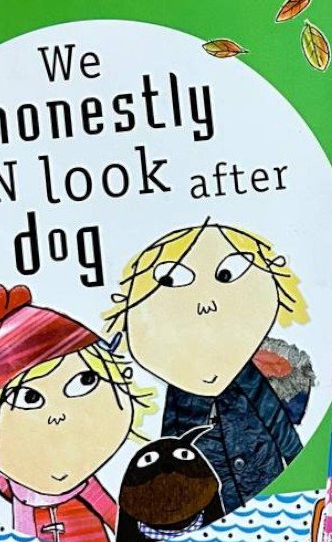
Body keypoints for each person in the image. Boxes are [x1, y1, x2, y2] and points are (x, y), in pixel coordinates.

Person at [0, 283, 152, 542]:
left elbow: (112, 513)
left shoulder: (84, 484)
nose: (57, 416)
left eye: (85, 380)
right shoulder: (15, 486)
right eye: (29, 398)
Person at [108, 220, 310, 515]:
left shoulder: (243, 370)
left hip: (262, 477)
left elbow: (274, 417)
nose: (205, 304)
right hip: (211, 492)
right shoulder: (181, 382)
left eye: (226, 275)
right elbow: (172, 439)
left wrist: (299, 465)